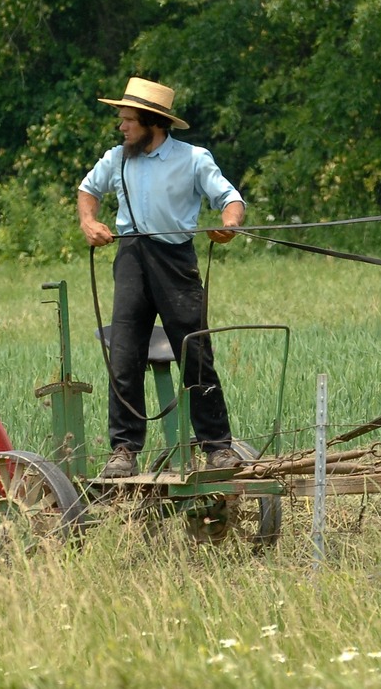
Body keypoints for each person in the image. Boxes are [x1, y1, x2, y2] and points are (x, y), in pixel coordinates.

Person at [77, 77, 246, 479]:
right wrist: (89, 221)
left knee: (195, 353)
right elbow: (88, 190)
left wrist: (229, 225)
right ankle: (123, 449)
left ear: (153, 122)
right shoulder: (116, 158)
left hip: (176, 261)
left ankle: (217, 447)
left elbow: (230, 199)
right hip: (131, 258)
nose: (121, 127)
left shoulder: (194, 159)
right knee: (124, 356)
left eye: (128, 120)